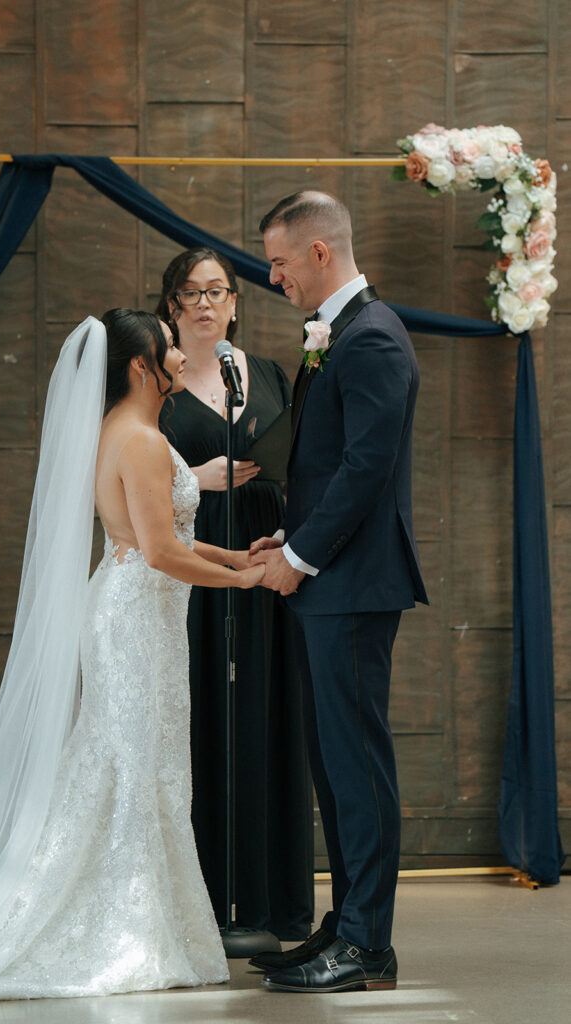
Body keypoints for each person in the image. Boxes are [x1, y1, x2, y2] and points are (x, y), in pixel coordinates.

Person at [0, 310, 265, 1012]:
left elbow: (155, 538)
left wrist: (237, 555)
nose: (183, 355)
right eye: (170, 347)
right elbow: (159, 551)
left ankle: (139, 922)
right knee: (136, 767)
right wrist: (244, 579)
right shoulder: (145, 442)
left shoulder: (114, 434)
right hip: (137, 620)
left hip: (132, 609)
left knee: (127, 764)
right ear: (138, 367)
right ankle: (131, 933)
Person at [248, 192, 428, 993]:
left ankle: (366, 946)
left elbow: (366, 471)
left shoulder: (373, 339)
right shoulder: (341, 334)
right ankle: (347, 922)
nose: (273, 276)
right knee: (333, 767)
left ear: (320, 254)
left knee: (357, 767)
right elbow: (325, 468)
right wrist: (285, 540)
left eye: (280, 262)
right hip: (328, 577)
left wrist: (305, 555)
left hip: (351, 585)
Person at [154, 248, 314, 940]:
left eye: (217, 291)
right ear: (170, 307)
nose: (205, 304)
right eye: (190, 294)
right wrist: (197, 476)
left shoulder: (271, 373)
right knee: (208, 716)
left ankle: (270, 899)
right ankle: (209, 901)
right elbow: (120, 483)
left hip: (265, 553)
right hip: (194, 555)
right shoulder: (154, 384)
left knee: (269, 713)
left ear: (236, 302)